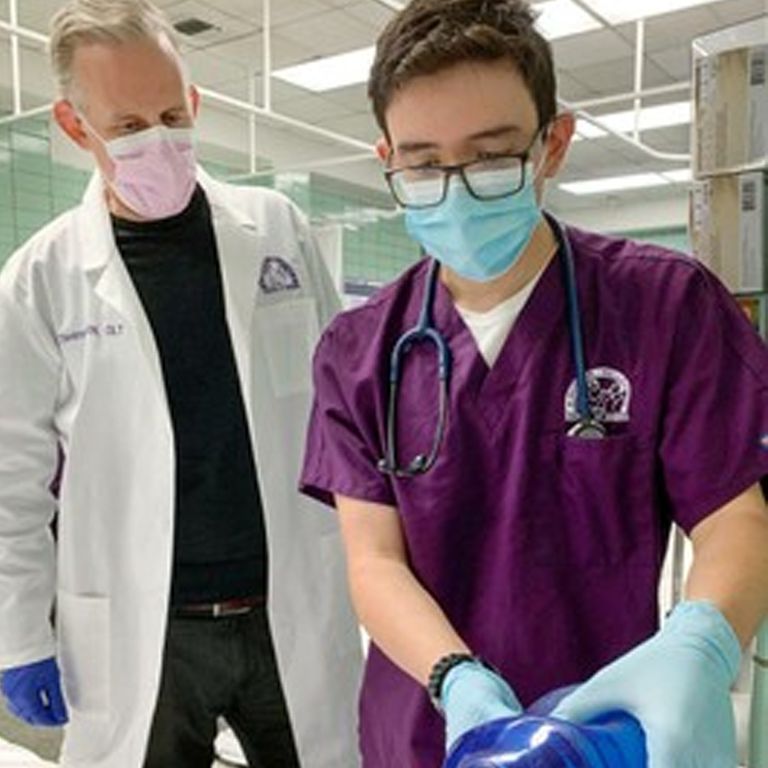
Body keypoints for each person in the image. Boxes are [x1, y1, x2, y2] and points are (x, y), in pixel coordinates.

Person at [299, 1, 768, 766]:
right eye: (422, 164)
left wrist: (703, 643)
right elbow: (372, 559)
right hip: (426, 731)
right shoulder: (359, 351)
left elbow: (732, 517)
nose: (454, 191)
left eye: (490, 157)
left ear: (553, 143)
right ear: (388, 158)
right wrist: (459, 684)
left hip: (602, 729)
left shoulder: (665, 308)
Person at [0, 1, 362, 766]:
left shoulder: (278, 228)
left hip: (288, 606)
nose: (157, 140)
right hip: (147, 629)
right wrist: (19, 635)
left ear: (194, 103)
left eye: (170, 113)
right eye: (128, 127)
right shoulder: (39, 279)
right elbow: (11, 482)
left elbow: (349, 408)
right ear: (75, 127)